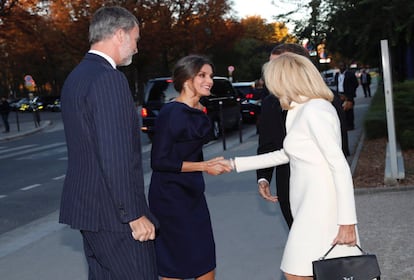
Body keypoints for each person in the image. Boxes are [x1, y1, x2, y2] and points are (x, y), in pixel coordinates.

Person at [228, 53, 361, 279]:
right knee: (309, 273)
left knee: (296, 272)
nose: (269, 86)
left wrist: (348, 221)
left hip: (322, 207)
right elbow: (287, 153)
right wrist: (233, 164)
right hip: (306, 205)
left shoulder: (316, 110)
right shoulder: (297, 109)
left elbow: (339, 165)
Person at [59, 6, 159, 279]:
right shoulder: (108, 79)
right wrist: (133, 215)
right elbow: (114, 155)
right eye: (136, 39)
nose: (136, 48)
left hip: (91, 213)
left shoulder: (77, 77)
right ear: (119, 34)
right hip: (114, 216)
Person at [148, 55, 231, 280]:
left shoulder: (199, 110)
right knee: (176, 263)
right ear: (186, 81)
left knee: (204, 260)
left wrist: (208, 165)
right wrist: (205, 166)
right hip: (170, 198)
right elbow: (159, 161)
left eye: (210, 75)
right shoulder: (171, 113)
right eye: (202, 75)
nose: (210, 80)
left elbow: (190, 151)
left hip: (192, 193)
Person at [257, 44, 350, 230]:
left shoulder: (322, 103)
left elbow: (340, 158)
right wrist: (263, 177)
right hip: (287, 186)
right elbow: (269, 145)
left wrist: (347, 220)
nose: (271, 72)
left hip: (319, 190)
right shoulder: (270, 104)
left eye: (279, 65)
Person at [334, 62, 359, 130]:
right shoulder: (337, 75)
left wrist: (350, 93)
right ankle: (345, 125)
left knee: (349, 111)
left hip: (348, 95)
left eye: (342, 65)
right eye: (340, 66)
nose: (341, 67)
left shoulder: (350, 74)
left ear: (345, 66)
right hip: (340, 95)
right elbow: (336, 84)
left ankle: (350, 125)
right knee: (342, 111)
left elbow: (355, 84)